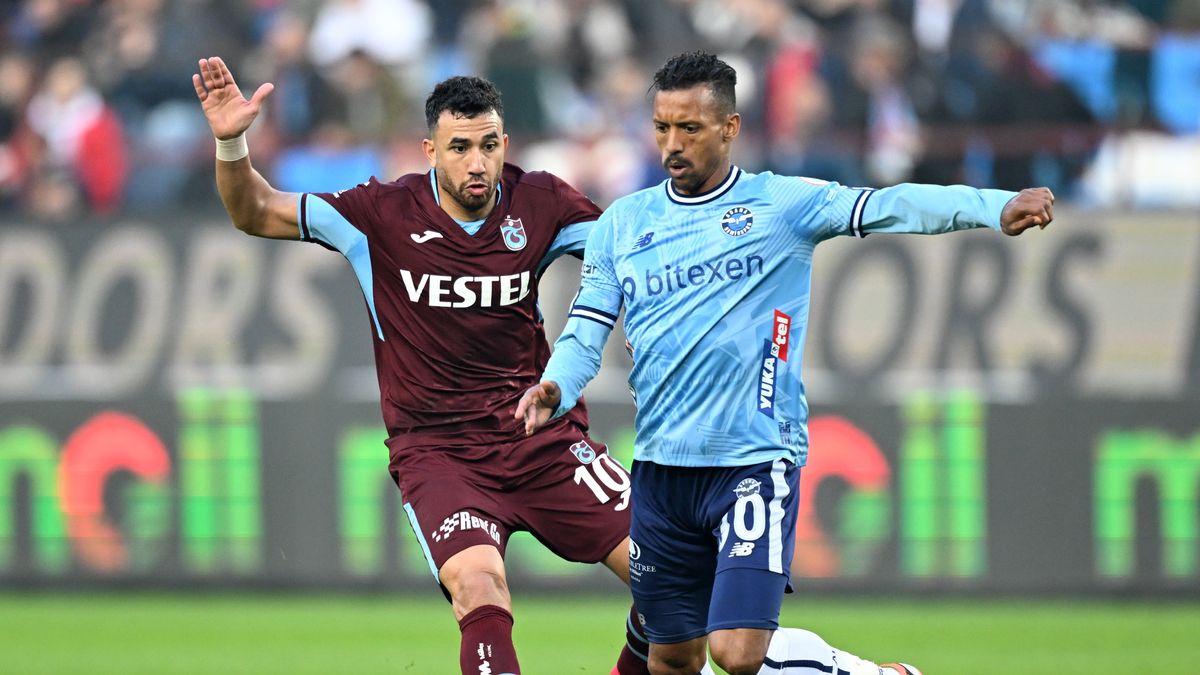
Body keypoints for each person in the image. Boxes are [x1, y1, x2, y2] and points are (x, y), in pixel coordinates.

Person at [517, 50, 1056, 675]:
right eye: (662, 127)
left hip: (753, 459)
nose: (672, 144)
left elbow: (890, 205)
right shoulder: (621, 224)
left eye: (689, 128)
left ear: (730, 127)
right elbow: (586, 329)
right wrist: (556, 383)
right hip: (662, 470)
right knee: (672, 659)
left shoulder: (782, 206)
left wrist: (995, 206)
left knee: (737, 653)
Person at [192, 55, 686, 675]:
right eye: (459, 147)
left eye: (487, 146)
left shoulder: (542, 203)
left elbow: (631, 256)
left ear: (505, 142)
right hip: (440, 453)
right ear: (430, 150)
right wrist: (232, 140)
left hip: (542, 438)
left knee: (675, 580)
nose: (477, 164)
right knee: (481, 588)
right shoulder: (378, 216)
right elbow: (255, 211)